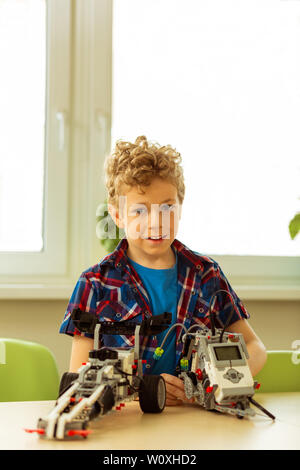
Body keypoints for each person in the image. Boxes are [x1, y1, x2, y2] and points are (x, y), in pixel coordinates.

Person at [59, 135, 267, 406]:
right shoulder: (95, 283)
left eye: (167, 208)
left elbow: (256, 349)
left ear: (181, 206)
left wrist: (207, 388)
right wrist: (142, 393)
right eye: (139, 211)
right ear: (117, 215)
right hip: (127, 423)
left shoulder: (207, 276)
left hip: (193, 422)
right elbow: (80, 376)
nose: (156, 223)